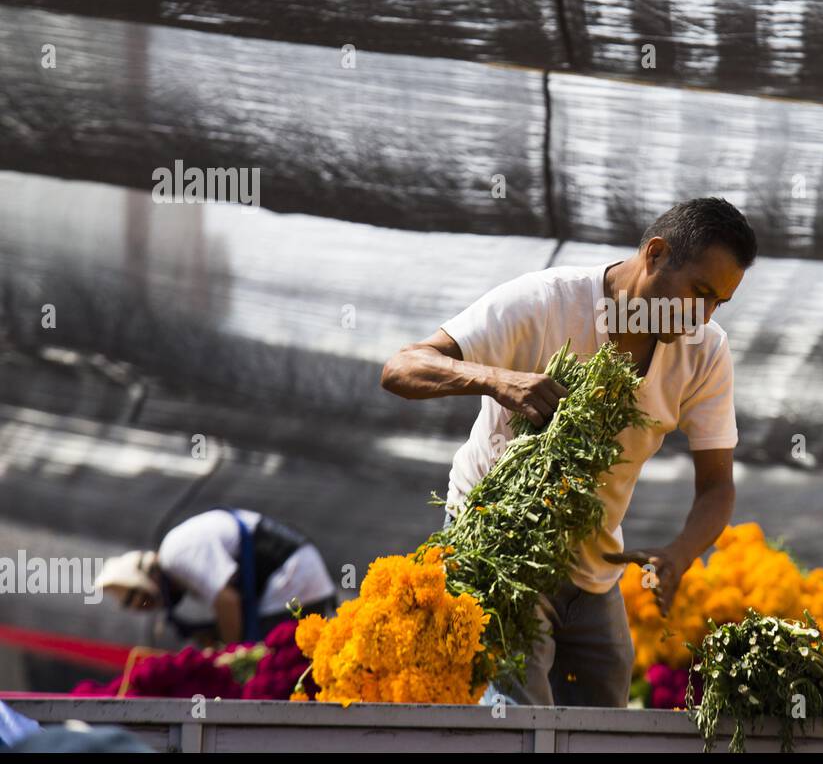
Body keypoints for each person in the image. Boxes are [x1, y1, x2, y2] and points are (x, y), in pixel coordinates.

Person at [381, 196, 756, 707]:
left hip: (594, 562)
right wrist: (498, 380)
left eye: (719, 303)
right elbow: (402, 367)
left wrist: (679, 553)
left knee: (605, 709)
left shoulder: (706, 351)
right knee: (519, 719)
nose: (703, 316)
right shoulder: (545, 302)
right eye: (700, 293)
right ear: (656, 253)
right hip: (499, 545)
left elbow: (718, 487)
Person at [96, 506, 337, 646]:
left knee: (271, 660)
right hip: (297, 573)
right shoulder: (178, 555)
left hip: (293, 577)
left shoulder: (175, 554)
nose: (144, 606)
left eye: (139, 598)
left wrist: (230, 656)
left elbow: (227, 600)